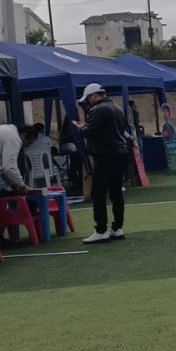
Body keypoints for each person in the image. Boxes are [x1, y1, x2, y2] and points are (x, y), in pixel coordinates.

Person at [78, 83, 129, 242]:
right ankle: (117, 228)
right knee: (116, 192)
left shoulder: (97, 110)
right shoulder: (117, 108)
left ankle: (101, 230)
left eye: (88, 99)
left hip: (106, 154)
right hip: (121, 153)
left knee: (99, 192)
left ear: (93, 96)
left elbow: (91, 132)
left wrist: (81, 128)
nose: (88, 103)